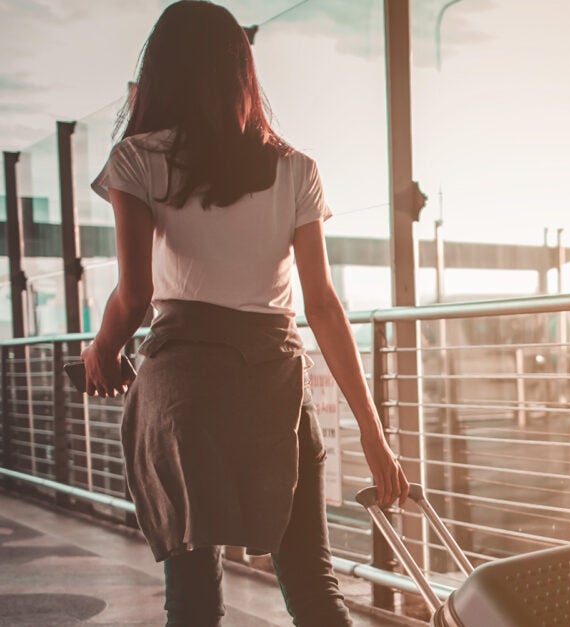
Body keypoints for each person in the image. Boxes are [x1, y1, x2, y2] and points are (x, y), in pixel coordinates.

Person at [81, 2, 408, 625]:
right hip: (274, 389)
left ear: (160, 72)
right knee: (313, 586)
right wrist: (373, 432)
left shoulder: (137, 159)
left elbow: (135, 295)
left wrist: (100, 350)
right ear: (242, 71)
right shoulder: (296, 169)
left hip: (185, 392)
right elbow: (324, 308)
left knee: (195, 598)